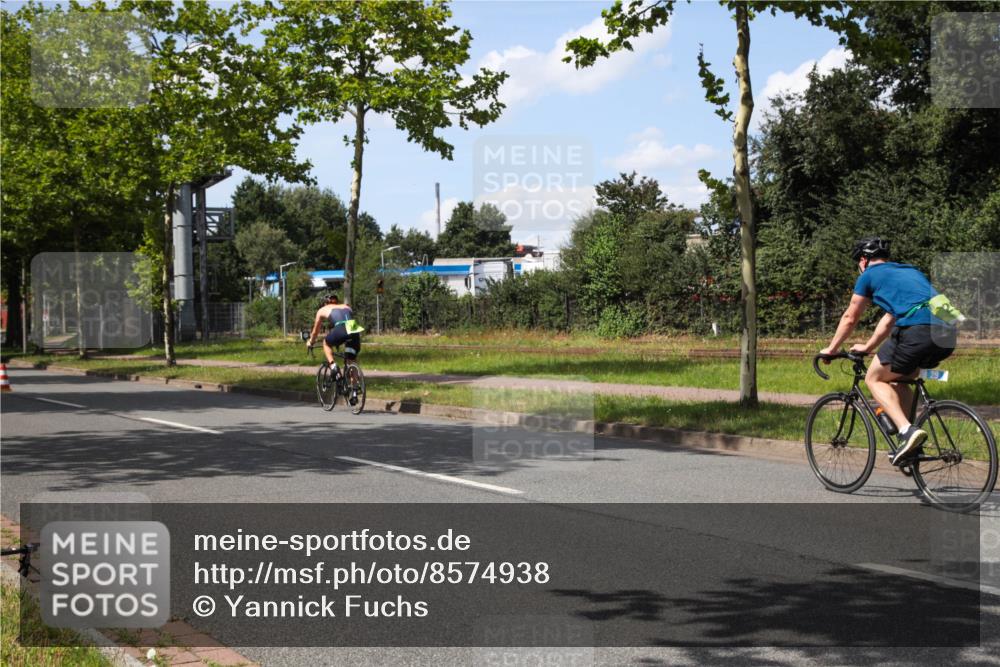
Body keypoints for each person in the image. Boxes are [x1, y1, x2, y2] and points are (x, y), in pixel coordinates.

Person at [819, 237, 957, 465]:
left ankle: (906, 431)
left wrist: (832, 349)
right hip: (948, 332)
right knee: (900, 379)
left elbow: (850, 316)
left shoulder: (868, 276)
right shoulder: (909, 271)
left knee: (873, 378)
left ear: (863, 260)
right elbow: (890, 318)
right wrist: (868, 347)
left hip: (918, 330)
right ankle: (911, 444)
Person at [305, 293, 362, 377]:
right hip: (354, 328)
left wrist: (311, 341)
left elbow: (315, 332)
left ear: (325, 303)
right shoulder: (347, 306)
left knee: (326, 343)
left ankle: (333, 365)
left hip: (341, 327)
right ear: (337, 301)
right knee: (351, 361)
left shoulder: (322, 309)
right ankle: (354, 388)